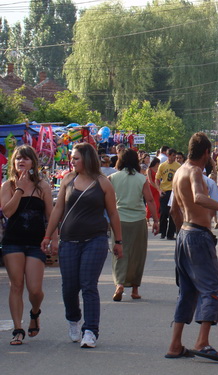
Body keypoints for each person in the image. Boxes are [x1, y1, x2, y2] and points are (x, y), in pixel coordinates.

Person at [165, 132, 218, 362]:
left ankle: (175, 345)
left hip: (184, 234)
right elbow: (199, 198)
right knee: (213, 289)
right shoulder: (194, 172)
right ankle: (202, 342)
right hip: (197, 235)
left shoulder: (179, 171)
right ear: (207, 153)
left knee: (188, 292)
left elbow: (174, 210)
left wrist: (184, 231)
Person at [41, 143, 123, 349]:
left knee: (88, 285)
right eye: (72, 158)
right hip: (69, 240)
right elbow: (58, 209)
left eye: (76, 158)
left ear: (87, 159)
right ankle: (73, 320)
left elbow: (113, 213)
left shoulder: (103, 183)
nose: (72, 161)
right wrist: (48, 235)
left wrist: (118, 241)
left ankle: (91, 330)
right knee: (69, 287)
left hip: (94, 240)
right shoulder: (68, 179)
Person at [1, 145, 56, 345]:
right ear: (13, 164)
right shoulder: (7, 186)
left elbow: (51, 215)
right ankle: (18, 329)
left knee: (34, 289)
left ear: (33, 162)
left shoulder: (43, 186)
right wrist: (19, 190)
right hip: (13, 242)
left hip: (35, 242)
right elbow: (7, 212)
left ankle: (35, 312)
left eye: (25, 158)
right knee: (16, 285)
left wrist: (53, 238)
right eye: (17, 159)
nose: (21, 162)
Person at [109, 149, 159, 301]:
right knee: (138, 254)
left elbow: (107, 200)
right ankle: (135, 289)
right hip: (138, 219)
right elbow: (149, 200)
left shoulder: (112, 177)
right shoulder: (141, 178)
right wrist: (156, 220)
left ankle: (119, 284)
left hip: (119, 220)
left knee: (119, 252)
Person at [156, 148, 181, 239]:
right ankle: (163, 231)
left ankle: (170, 234)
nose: (174, 157)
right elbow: (157, 179)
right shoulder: (162, 166)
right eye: (173, 155)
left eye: (175, 155)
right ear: (168, 155)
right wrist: (159, 189)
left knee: (172, 212)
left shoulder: (178, 166)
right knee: (163, 212)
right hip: (165, 191)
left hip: (174, 191)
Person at [146, 157, 161, 225]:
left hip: (157, 189)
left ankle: (157, 219)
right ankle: (147, 218)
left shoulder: (158, 169)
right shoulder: (149, 170)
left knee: (157, 204)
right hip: (150, 188)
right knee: (149, 204)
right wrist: (157, 187)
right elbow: (150, 181)